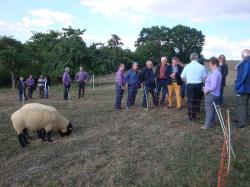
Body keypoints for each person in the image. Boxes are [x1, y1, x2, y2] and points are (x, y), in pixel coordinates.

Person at [181, 52, 207, 121]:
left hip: (190, 85)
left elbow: (182, 77)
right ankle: (195, 115)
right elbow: (204, 78)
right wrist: (204, 86)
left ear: (190, 58)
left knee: (190, 101)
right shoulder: (202, 67)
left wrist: (187, 83)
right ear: (197, 58)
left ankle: (190, 117)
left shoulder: (187, 66)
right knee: (197, 101)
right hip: (199, 85)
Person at [201, 57, 222, 129]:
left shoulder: (215, 73)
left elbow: (213, 86)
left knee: (209, 109)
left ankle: (207, 125)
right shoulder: (217, 72)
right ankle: (212, 123)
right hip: (215, 94)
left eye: (210, 64)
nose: (209, 66)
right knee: (213, 109)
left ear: (215, 64)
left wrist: (206, 91)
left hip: (211, 94)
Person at [234, 49, 250, 128]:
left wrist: (237, 85)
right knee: (245, 104)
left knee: (241, 105)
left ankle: (242, 123)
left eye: (242, 55)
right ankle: (243, 118)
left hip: (243, 88)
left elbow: (243, 75)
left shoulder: (245, 63)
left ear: (244, 55)